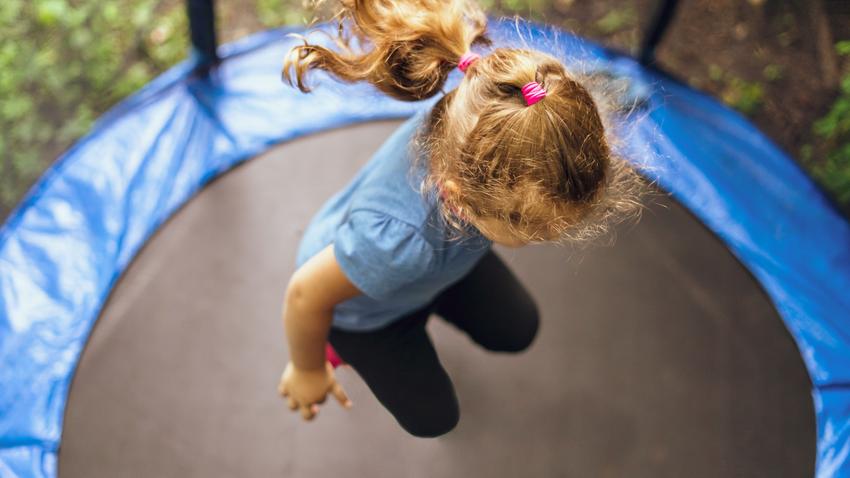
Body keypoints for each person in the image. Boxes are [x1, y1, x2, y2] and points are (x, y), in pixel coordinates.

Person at [277, 0, 644, 438]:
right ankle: (344, 347)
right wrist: (307, 367)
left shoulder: (490, 122)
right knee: (433, 419)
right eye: (533, 228)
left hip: (434, 266)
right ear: (461, 200)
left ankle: (429, 298)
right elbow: (303, 296)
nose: (543, 238)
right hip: (362, 309)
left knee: (517, 328)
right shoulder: (396, 244)